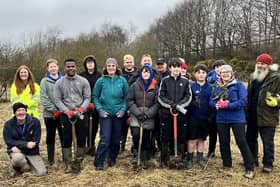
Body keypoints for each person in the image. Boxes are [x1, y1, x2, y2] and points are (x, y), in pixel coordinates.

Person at [209, 64, 255, 179]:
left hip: (237, 118)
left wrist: (228, 105)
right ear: (220, 74)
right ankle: (227, 164)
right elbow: (211, 100)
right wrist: (215, 104)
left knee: (241, 141)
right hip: (221, 119)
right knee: (224, 142)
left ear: (232, 73)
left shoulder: (238, 85)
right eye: (223, 73)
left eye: (228, 73)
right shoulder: (216, 86)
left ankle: (249, 167)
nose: (225, 75)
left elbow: (243, 101)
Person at [54, 58, 91, 173]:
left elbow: (87, 97)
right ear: (64, 68)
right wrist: (66, 111)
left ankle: (79, 160)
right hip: (66, 114)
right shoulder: (59, 82)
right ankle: (68, 162)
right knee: (66, 138)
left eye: (72, 66)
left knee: (81, 136)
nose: (71, 68)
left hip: (80, 113)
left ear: (76, 67)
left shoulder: (83, 81)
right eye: (68, 66)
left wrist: (81, 109)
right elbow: (57, 99)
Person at [246, 53, 280, 173]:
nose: (260, 65)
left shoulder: (276, 77)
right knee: (250, 138)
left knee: (267, 142)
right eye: (258, 63)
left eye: (263, 63)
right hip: (252, 114)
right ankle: (252, 159)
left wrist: (277, 101)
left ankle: (268, 164)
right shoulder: (252, 77)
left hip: (267, 115)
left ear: (268, 65)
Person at [93, 58, 129, 170]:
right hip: (105, 114)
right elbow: (95, 96)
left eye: (113, 65)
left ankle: (112, 159)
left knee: (116, 139)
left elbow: (127, 97)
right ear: (106, 68)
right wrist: (100, 109)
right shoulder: (101, 81)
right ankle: (99, 161)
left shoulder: (122, 80)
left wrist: (123, 109)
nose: (111, 68)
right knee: (105, 139)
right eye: (109, 66)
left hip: (118, 114)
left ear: (116, 67)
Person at [158, 57, 192, 168]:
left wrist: (179, 105)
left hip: (181, 114)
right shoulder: (165, 80)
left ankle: (180, 160)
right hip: (167, 114)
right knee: (165, 137)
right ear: (170, 68)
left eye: (178, 67)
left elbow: (189, 96)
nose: (176, 69)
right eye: (174, 67)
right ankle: (164, 160)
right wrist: (171, 105)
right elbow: (161, 96)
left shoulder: (186, 81)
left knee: (181, 137)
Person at [127, 64, 159, 167]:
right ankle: (136, 154)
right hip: (137, 114)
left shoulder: (155, 86)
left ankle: (144, 157)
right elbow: (130, 100)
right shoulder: (135, 85)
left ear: (151, 73)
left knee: (146, 137)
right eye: (144, 71)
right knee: (136, 134)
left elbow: (157, 103)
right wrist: (137, 113)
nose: (146, 73)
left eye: (148, 72)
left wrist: (148, 114)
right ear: (141, 73)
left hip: (149, 114)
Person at [3, 102, 47, 177]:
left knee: (41, 173)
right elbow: (9, 140)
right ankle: (16, 168)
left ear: (26, 111)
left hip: (31, 151)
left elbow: (36, 141)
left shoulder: (35, 122)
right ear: (14, 113)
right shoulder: (8, 124)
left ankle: (27, 165)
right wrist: (26, 144)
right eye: (18, 111)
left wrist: (19, 146)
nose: (21, 113)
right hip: (17, 152)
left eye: (23, 110)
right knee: (18, 159)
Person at [185, 64, 212, 169]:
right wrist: (192, 104)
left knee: (201, 139)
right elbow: (186, 101)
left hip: (205, 118)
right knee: (192, 139)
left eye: (203, 73)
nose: (201, 75)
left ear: (206, 74)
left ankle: (200, 159)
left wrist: (211, 115)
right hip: (193, 117)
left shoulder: (210, 88)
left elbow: (213, 102)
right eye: (198, 73)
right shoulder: (191, 87)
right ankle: (189, 159)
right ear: (195, 74)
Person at [40, 58, 63, 166]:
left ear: (58, 67)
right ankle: (50, 159)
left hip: (63, 113)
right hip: (49, 115)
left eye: (54, 66)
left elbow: (66, 96)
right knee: (50, 136)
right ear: (47, 69)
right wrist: (54, 110)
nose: (53, 68)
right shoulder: (44, 81)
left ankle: (65, 157)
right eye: (50, 67)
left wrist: (61, 109)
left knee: (64, 135)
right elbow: (44, 98)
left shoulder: (63, 79)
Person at [79, 55, 102, 156]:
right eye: (88, 63)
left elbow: (101, 90)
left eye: (91, 62)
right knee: (84, 126)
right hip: (84, 105)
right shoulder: (81, 76)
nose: (90, 64)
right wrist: (86, 103)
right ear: (85, 64)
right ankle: (84, 147)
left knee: (94, 127)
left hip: (96, 104)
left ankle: (92, 145)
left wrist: (94, 102)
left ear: (94, 64)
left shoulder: (99, 75)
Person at [206, 59, 226, 158]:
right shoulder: (209, 79)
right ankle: (211, 151)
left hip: (224, 110)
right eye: (216, 67)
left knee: (223, 134)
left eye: (221, 66)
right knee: (212, 132)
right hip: (212, 110)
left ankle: (224, 153)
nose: (218, 69)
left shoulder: (228, 78)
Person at [120, 54, 138, 153]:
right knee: (122, 129)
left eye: (130, 62)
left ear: (133, 62)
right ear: (124, 63)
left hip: (134, 105)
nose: (129, 64)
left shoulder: (138, 74)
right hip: (122, 104)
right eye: (127, 62)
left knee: (134, 129)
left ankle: (134, 148)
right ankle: (121, 147)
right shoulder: (120, 75)